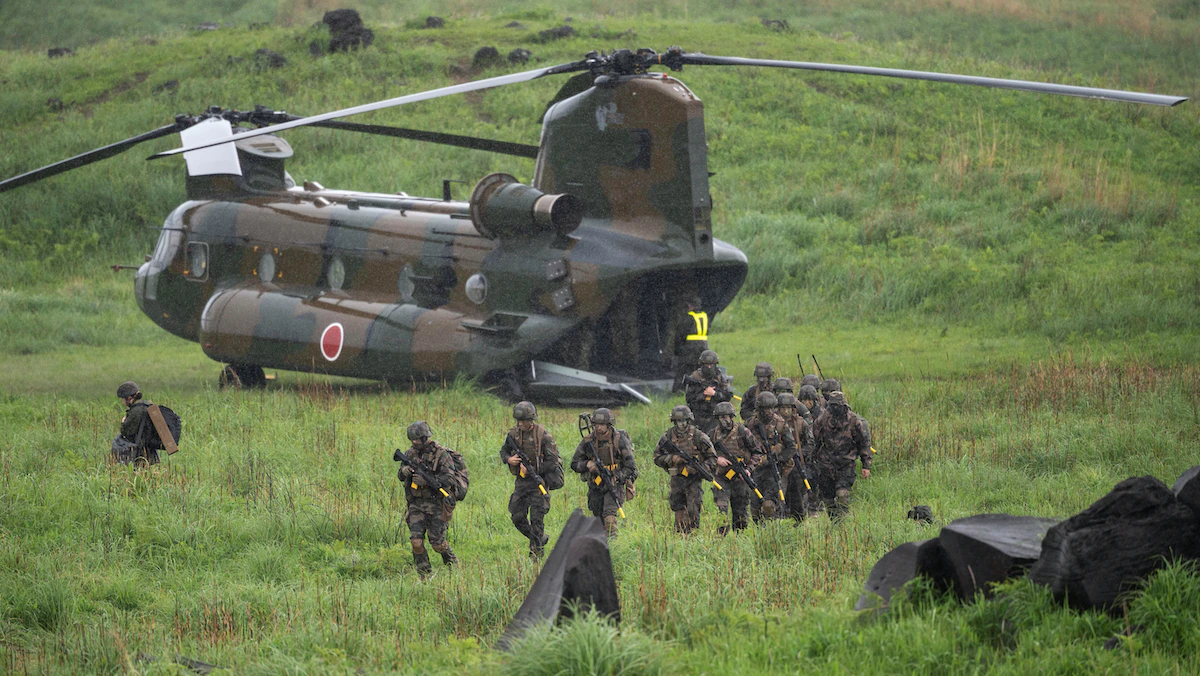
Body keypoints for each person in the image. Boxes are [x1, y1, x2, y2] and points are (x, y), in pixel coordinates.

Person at [397, 421, 466, 577]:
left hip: (437, 504)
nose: (414, 442)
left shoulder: (441, 455)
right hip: (416, 504)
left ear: (425, 437)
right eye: (412, 439)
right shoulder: (410, 454)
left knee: (438, 544)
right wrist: (405, 471)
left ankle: (452, 564)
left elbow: (449, 478)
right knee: (416, 542)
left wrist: (427, 482)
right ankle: (425, 576)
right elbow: (400, 474)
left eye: (417, 439)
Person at [500, 401, 564, 558]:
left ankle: (536, 554)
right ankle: (539, 539)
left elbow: (553, 461)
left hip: (538, 483)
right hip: (521, 483)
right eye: (518, 421)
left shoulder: (543, 435)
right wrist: (509, 459)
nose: (520, 424)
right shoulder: (513, 435)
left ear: (531, 420)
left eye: (524, 421)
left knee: (537, 519)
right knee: (517, 516)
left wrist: (532, 470)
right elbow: (504, 451)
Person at [571, 408, 637, 538]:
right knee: (598, 521)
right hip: (595, 485)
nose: (598, 428)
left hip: (614, 485)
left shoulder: (620, 440)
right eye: (596, 424)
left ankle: (613, 545)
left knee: (610, 518)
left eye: (602, 425)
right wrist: (587, 465)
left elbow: (630, 467)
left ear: (609, 425)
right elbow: (574, 464)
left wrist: (617, 477)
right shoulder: (588, 441)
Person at [653, 405, 717, 534]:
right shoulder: (667, 437)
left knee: (693, 509)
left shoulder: (699, 436)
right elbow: (657, 458)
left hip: (694, 479)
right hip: (677, 478)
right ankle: (680, 536)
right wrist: (672, 459)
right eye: (678, 421)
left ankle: (692, 536)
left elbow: (713, 458)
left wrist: (700, 468)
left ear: (689, 421)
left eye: (683, 421)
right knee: (678, 509)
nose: (681, 424)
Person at [812, 391, 872, 520]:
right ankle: (834, 522)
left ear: (843, 405)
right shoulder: (823, 419)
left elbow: (864, 443)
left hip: (846, 464)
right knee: (828, 499)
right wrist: (812, 460)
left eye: (837, 405)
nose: (834, 408)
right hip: (826, 465)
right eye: (832, 405)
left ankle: (842, 523)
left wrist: (866, 465)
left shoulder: (854, 421)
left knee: (842, 495)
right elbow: (815, 441)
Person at [708, 401, 761, 534]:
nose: (724, 420)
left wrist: (748, 469)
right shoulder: (712, 435)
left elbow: (757, 452)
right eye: (721, 417)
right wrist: (716, 459)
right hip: (721, 478)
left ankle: (740, 539)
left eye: (727, 417)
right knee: (721, 509)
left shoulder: (743, 432)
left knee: (741, 513)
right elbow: (703, 455)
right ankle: (721, 538)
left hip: (740, 478)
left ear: (732, 417)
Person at [746, 391, 795, 521]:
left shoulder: (780, 424)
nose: (769, 412)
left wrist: (776, 458)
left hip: (774, 470)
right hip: (755, 470)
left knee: (769, 505)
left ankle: (773, 528)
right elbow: (743, 447)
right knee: (754, 507)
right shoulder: (750, 424)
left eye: (771, 408)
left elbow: (791, 448)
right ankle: (760, 530)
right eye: (765, 409)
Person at [777, 392, 816, 520]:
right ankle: (780, 519)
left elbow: (810, 443)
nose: (786, 411)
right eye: (783, 408)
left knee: (799, 494)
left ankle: (799, 519)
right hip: (781, 464)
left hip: (797, 463)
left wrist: (800, 454)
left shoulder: (800, 423)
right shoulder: (775, 424)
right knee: (780, 493)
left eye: (788, 408)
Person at [111, 381, 160, 467]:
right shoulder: (147, 406)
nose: (122, 401)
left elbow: (126, 432)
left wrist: (123, 422)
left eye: (122, 399)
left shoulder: (136, 411)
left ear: (129, 398)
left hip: (139, 454)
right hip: (151, 454)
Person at [685, 349, 733, 434]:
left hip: (715, 416)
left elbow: (728, 396)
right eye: (707, 364)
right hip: (698, 416)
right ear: (702, 364)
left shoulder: (720, 377)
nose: (709, 367)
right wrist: (702, 395)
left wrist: (714, 394)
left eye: (711, 365)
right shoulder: (694, 377)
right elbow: (689, 399)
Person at [672, 296, 709, 392]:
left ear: (689, 305)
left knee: (683, 368)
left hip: (690, 347)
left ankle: (678, 389)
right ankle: (699, 388)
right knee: (699, 368)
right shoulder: (704, 316)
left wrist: (677, 348)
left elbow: (680, 333)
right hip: (704, 346)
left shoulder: (688, 317)